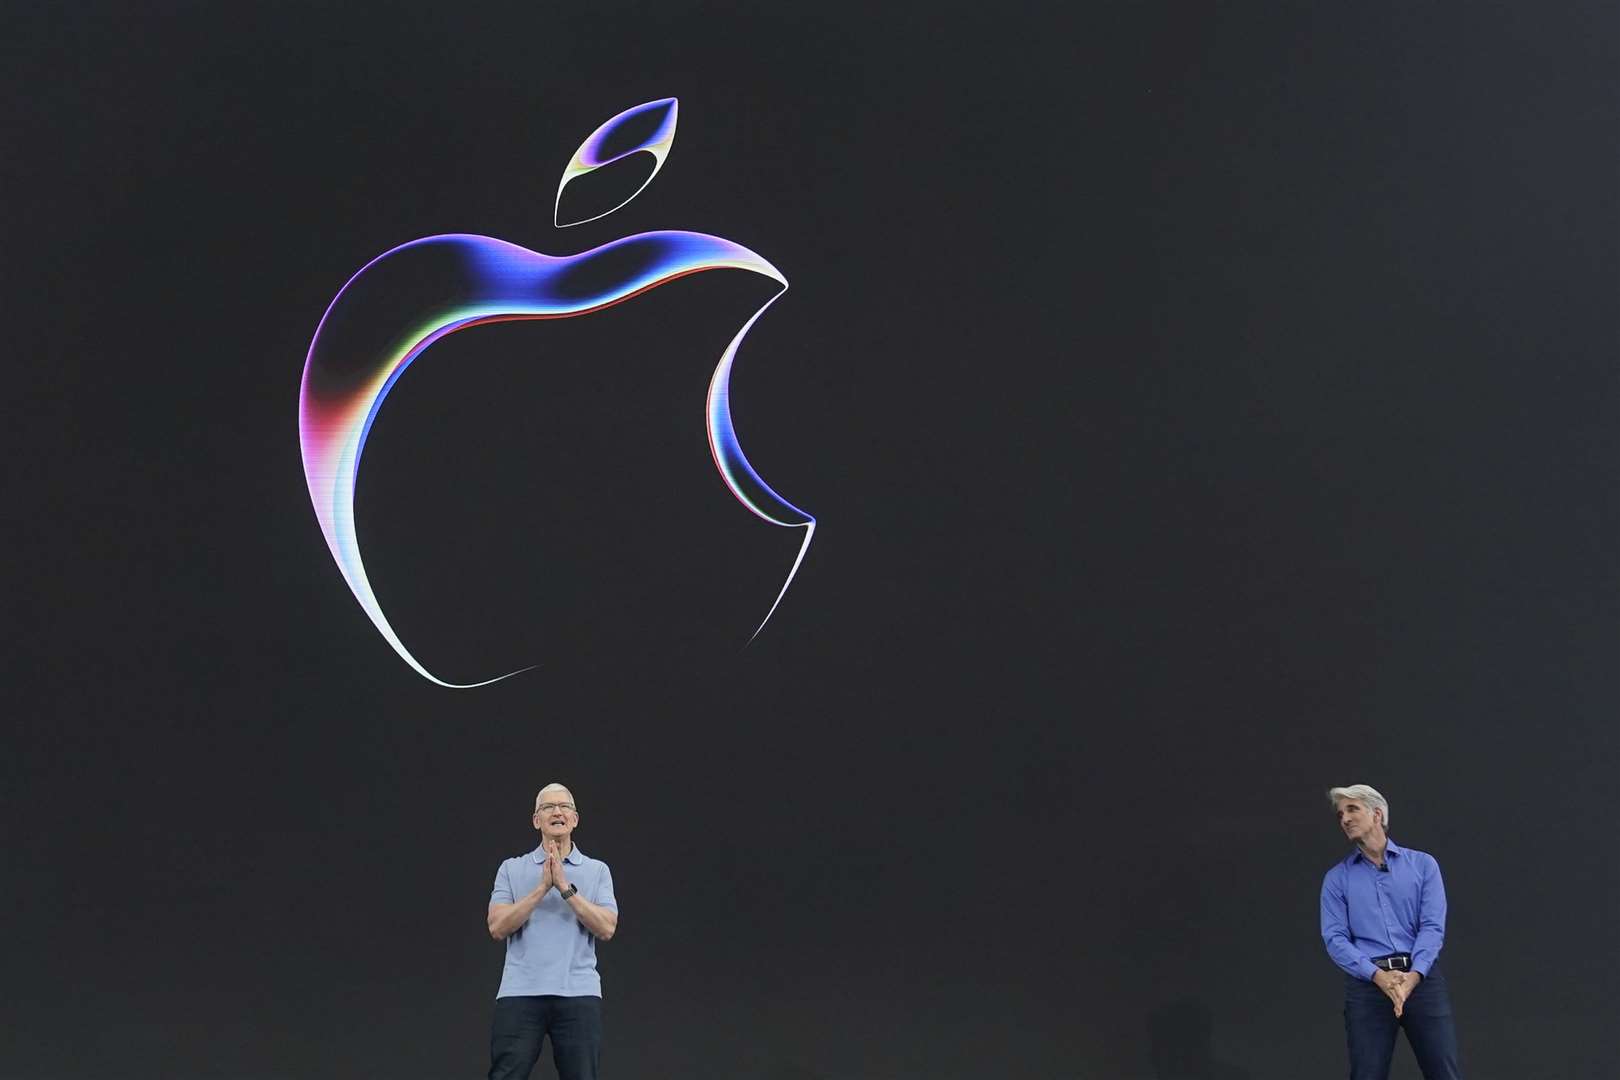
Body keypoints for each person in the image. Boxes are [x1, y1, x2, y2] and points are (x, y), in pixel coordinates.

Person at [1319, 784, 1463, 1080]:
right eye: (1340, 814)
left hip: (1422, 982)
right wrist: (1378, 976)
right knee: (1366, 1075)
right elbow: (1335, 939)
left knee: (1445, 1074)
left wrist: (1413, 976)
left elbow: (1432, 927)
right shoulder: (1337, 879)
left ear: (1377, 814)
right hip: (1367, 987)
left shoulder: (1423, 865)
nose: (1344, 818)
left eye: (1352, 809)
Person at [486, 783, 619, 1080]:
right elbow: (497, 927)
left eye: (564, 807)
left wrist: (564, 888)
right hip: (520, 992)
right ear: (536, 820)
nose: (557, 812)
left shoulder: (597, 871)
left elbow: (607, 927)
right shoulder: (511, 868)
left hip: (578, 994)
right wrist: (542, 888)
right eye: (548, 807)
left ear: (575, 819)